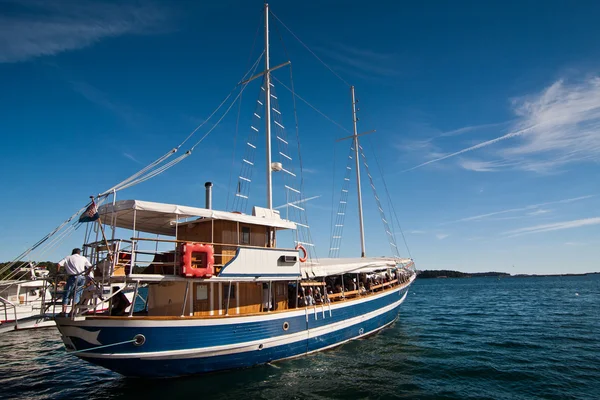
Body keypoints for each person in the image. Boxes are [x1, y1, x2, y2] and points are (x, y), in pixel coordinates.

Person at [57, 248, 92, 314]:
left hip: (72, 277)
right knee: (77, 294)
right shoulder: (83, 258)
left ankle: (63, 311)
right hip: (82, 277)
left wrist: (57, 272)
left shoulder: (68, 257)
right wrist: (87, 273)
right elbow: (90, 266)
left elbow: (58, 264)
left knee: (67, 294)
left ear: (72, 252)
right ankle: (72, 311)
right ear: (79, 253)